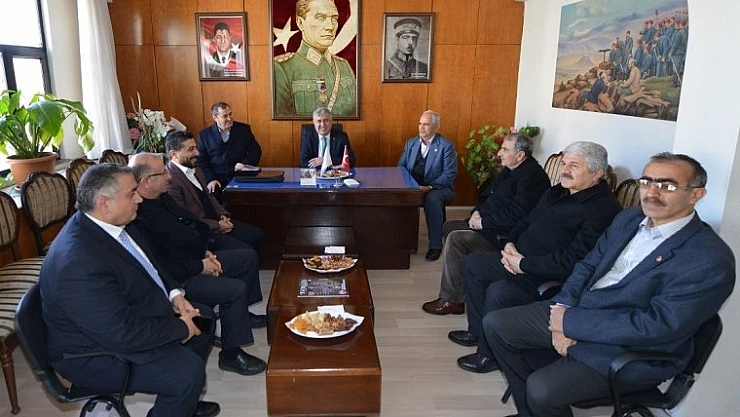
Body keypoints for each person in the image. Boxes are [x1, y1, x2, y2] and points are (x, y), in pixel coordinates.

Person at [482, 153, 735, 417]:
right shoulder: (629, 219)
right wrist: (563, 307)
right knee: (497, 325)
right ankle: (530, 412)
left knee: (541, 388)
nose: (652, 192)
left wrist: (569, 324)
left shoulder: (709, 259)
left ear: (696, 194)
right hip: (580, 311)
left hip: (629, 347)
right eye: (646, 182)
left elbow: (656, 326)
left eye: (667, 186)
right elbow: (587, 266)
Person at [39, 163, 221, 417]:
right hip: (91, 353)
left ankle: (182, 402)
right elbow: (120, 334)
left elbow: (152, 266)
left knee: (204, 320)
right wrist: (181, 328)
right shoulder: (78, 264)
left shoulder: (118, 224)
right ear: (104, 204)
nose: (139, 199)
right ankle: (181, 392)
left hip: (123, 314)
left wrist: (175, 295)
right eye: (131, 193)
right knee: (187, 372)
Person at [449, 141, 622, 374]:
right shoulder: (557, 192)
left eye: (574, 165)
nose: (564, 170)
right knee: (474, 264)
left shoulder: (603, 210)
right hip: (518, 258)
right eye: (564, 163)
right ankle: (477, 332)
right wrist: (510, 244)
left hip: (546, 276)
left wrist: (523, 264)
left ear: (597, 173)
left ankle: (488, 354)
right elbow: (526, 221)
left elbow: (572, 261)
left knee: (499, 291)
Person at [129, 153, 267, 376]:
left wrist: (204, 252)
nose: (169, 176)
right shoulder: (138, 216)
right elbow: (160, 267)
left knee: (246, 258)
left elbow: (187, 230)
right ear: (146, 181)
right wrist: (200, 266)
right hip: (178, 279)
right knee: (234, 290)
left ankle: (241, 315)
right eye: (163, 173)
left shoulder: (161, 198)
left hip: (193, 259)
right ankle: (231, 355)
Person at [421, 133, 550, 315]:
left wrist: (482, 222)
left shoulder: (532, 177)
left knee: (457, 239)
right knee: (450, 226)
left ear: (520, 155)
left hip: (504, 236)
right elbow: (487, 196)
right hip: (489, 224)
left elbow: (517, 215)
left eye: (504, 149)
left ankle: (452, 300)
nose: (499, 153)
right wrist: (476, 212)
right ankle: (462, 288)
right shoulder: (511, 169)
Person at [165, 130, 264, 250]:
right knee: (247, 252)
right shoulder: (170, 180)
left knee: (257, 235)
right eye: (191, 149)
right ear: (174, 155)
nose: (197, 153)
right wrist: (217, 225)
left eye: (196, 148)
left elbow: (209, 196)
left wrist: (222, 215)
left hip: (217, 222)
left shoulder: (196, 168)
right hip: (203, 233)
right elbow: (186, 219)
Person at [273, 0, 357, 117]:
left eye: (334, 18)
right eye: (320, 17)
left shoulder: (344, 66)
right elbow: (282, 121)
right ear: (300, 23)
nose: (330, 26)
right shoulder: (282, 69)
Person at [398, 110, 457, 261]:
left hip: (438, 187)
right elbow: (401, 168)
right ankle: (402, 243)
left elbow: (450, 174)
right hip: (414, 187)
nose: (421, 128)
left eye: (426, 124)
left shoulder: (446, 146)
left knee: (432, 199)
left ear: (436, 127)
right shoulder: (411, 143)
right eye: (420, 124)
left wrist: (429, 186)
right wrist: (408, 186)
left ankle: (435, 246)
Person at [197, 101, 262, 199]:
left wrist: (245, 164)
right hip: (216, 179)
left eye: (230, 114)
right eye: (224, 116)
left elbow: (256, 151)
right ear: (215, 118)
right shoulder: (205, 135)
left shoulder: (243, 129)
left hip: (240, 177)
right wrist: (210, 179)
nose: (229, 118)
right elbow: (201, 161)